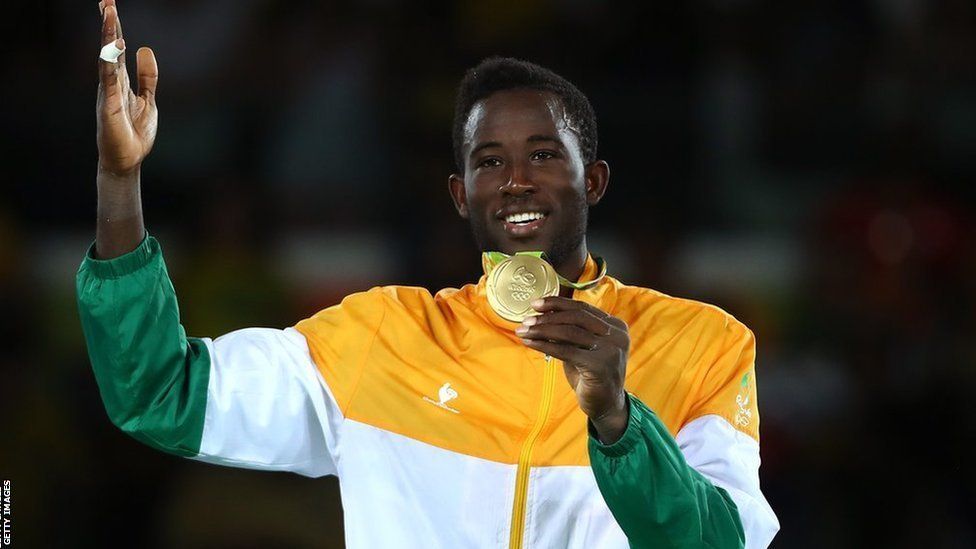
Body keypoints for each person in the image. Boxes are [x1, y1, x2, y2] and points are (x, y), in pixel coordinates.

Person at [79, 1, 779, 547]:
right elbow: (160, 392)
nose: (515, 182)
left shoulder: (703, 344)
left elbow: (719, 542)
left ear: (592, 180)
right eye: (489, 161)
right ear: (459, 194)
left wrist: (619, 422)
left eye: (543, 155)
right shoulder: (381, 338)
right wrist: (120, 181)